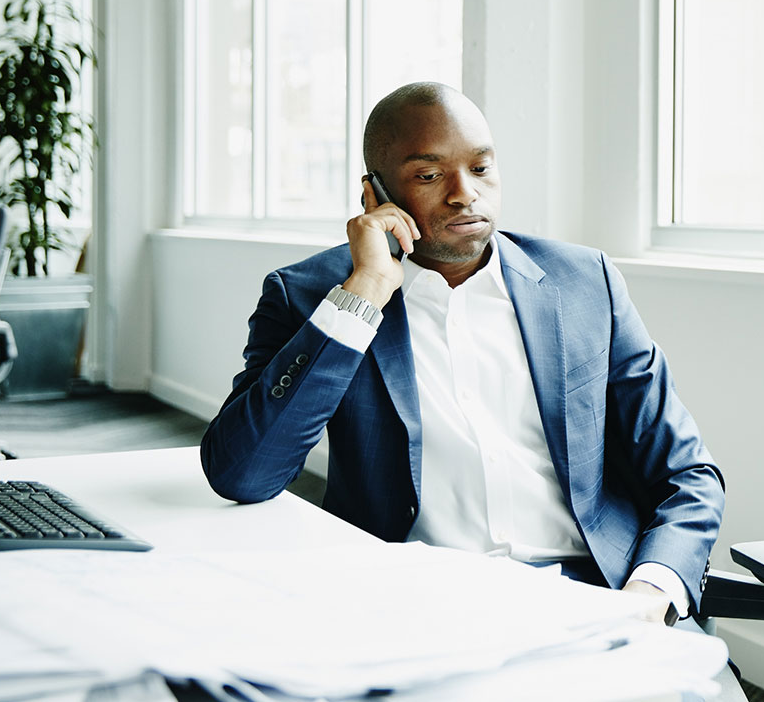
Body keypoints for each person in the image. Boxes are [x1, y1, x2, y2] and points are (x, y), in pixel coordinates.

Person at [200, 82, 726, 641]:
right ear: (373, 193)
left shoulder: (584, 282)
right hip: (413, 612)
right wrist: (366, 293)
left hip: (592, 598)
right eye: (429, 176)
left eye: (481, 168)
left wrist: (649, 595)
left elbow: (687, 474)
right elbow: (243, 474)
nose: (463, 194)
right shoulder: (309, 296)